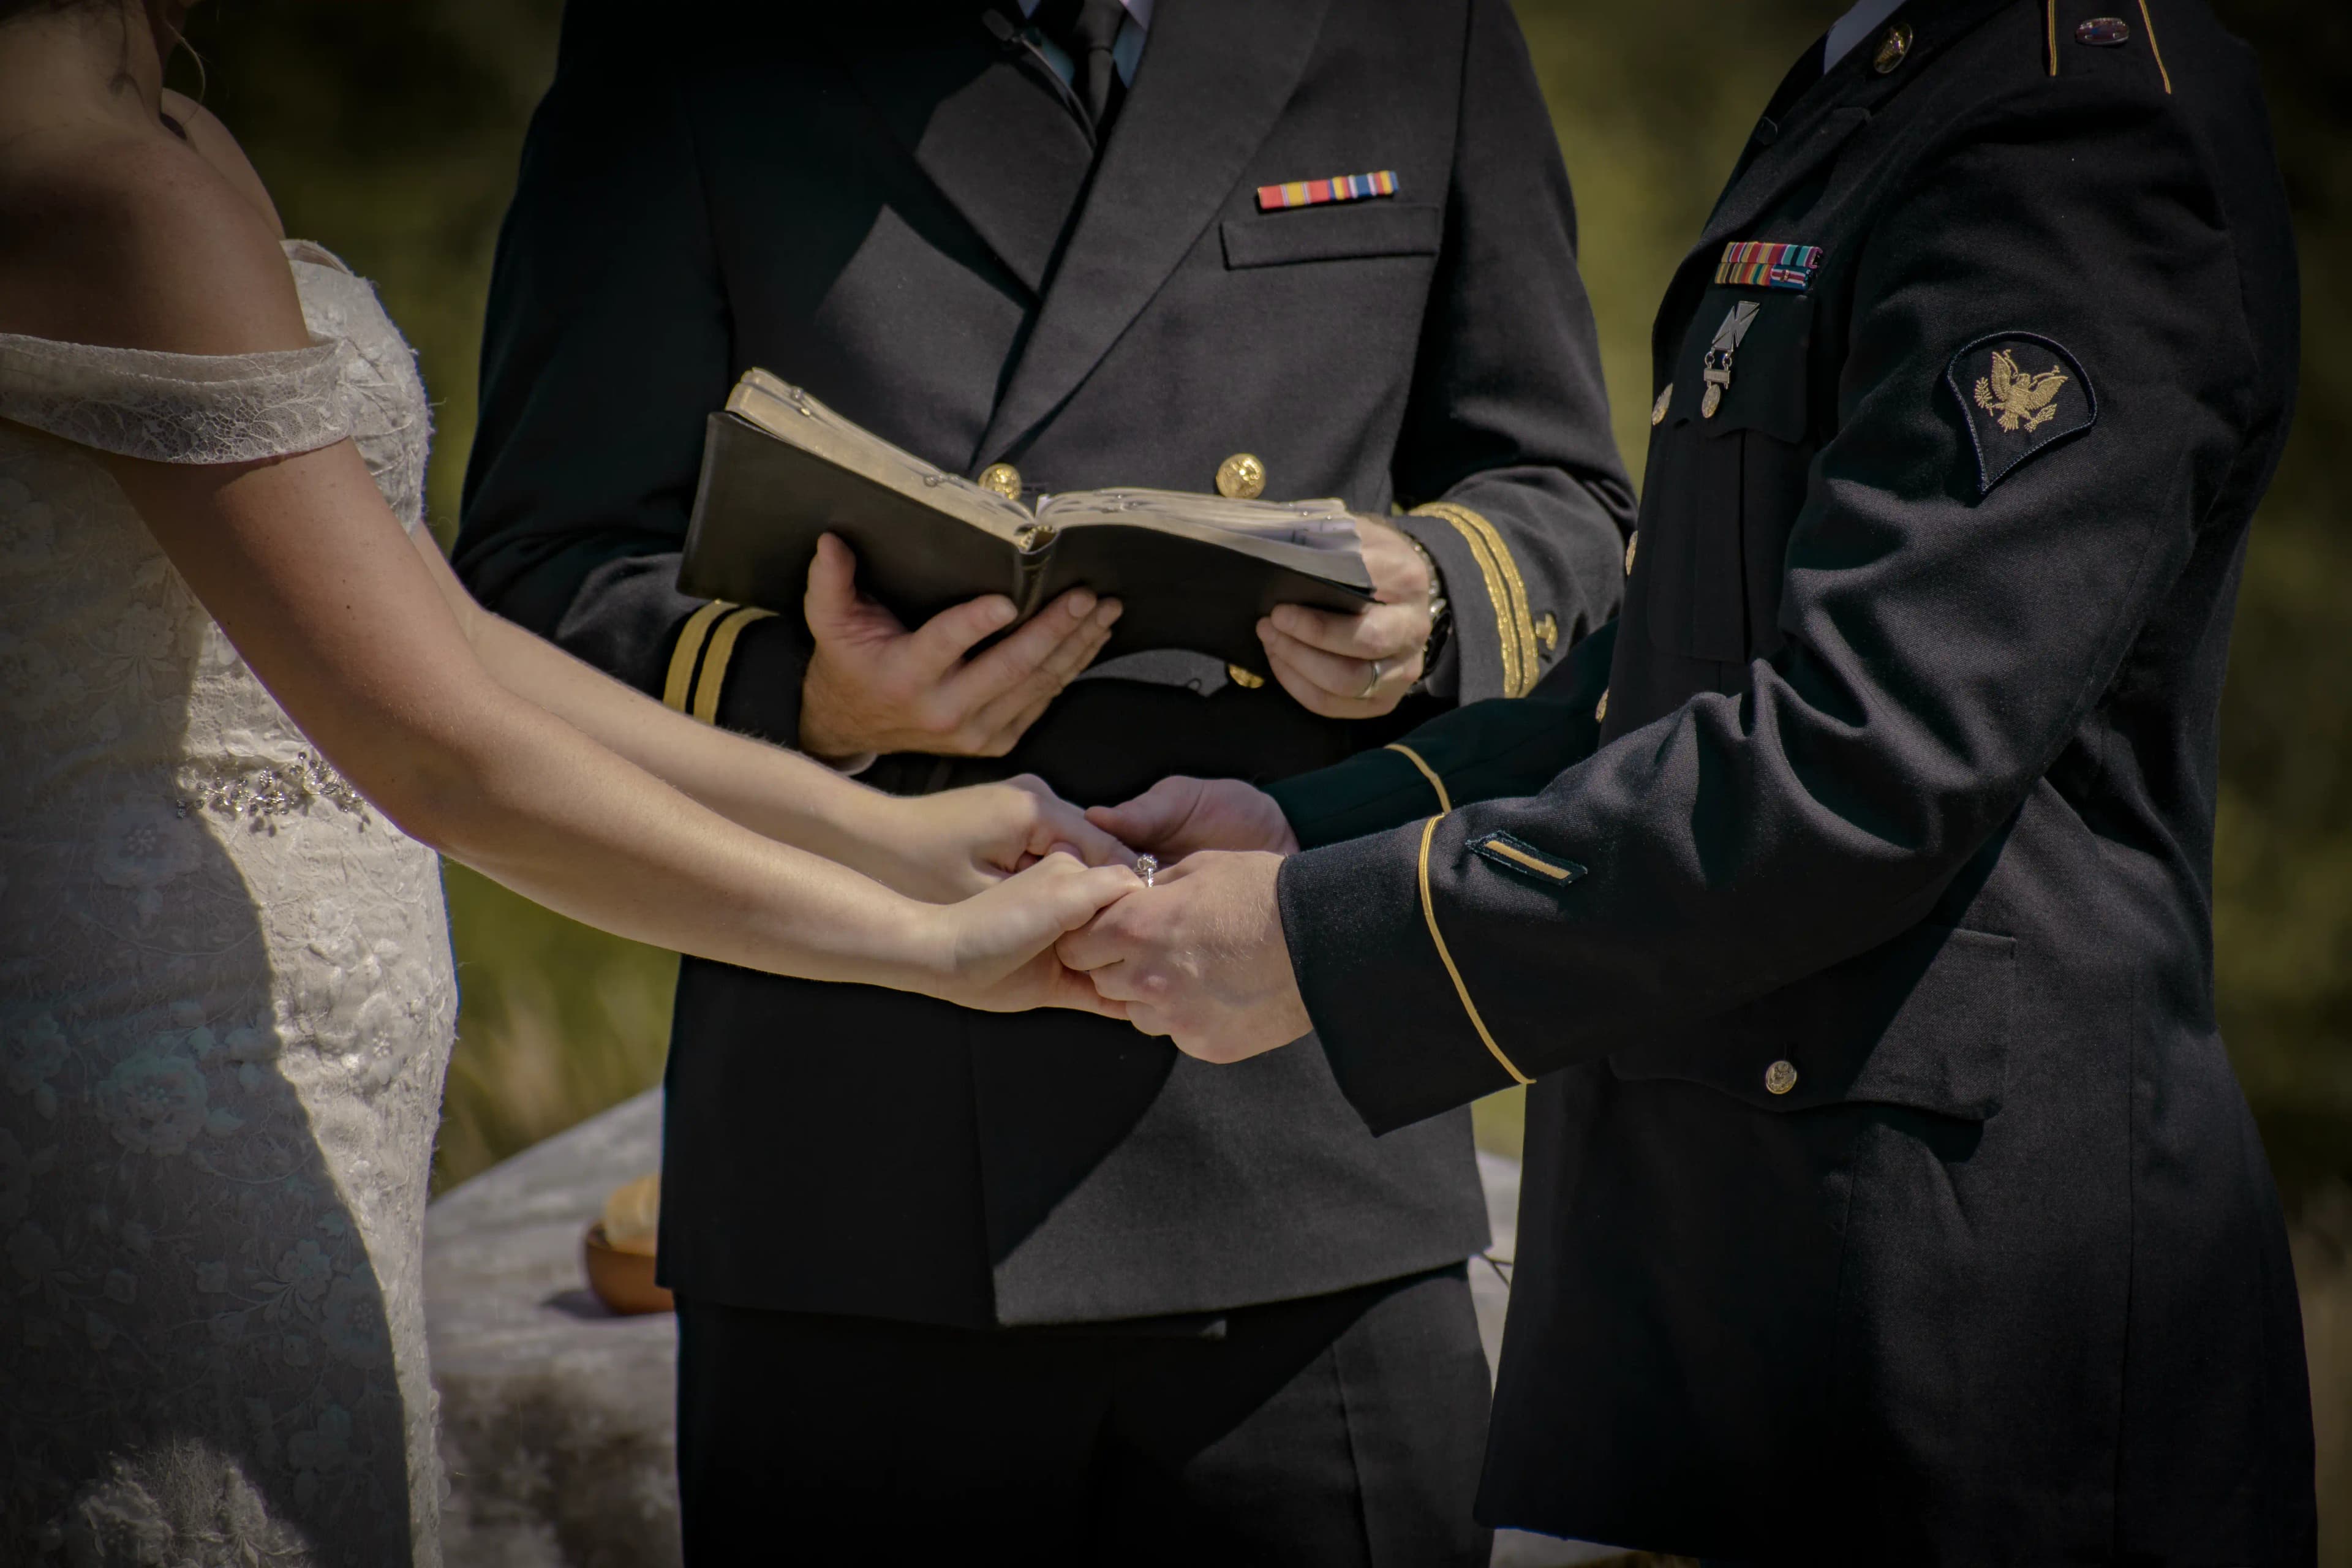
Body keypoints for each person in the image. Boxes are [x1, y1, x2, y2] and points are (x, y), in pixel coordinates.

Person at [1065, 0, 2319, 1559]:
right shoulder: (1894, 73)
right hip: (1738, 1294)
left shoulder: (2078, 127)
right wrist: (1305, 829)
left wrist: (1325, 935)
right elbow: (1688, 654)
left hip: (1960, 1340)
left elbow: (1872, 749)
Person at [455, 0, 1635, 1558]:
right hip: (861, 1163)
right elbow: (529, 582)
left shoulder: (1414, 25)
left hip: (1306, 1143)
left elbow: (1567, 499)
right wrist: (806, 696)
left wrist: (1435, 598)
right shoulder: (687, 36)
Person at [0, 1, 1143, 1559]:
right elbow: (438, 753)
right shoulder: (117, 193)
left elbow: (448, 639)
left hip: (279, 1097)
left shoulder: (176, 137)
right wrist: (924, 946)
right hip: (153, 1102)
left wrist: (889, 830)